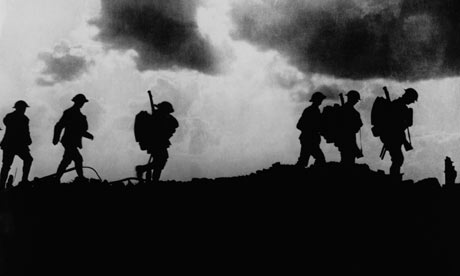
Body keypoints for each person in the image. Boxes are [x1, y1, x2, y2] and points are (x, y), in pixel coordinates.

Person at [53, 94, 93, 182]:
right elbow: (59, 125)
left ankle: (57, 178)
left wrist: (88, 135)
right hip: (68, 141)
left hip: (73, 141)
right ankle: (80, 177)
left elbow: (78, 130)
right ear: (77, 102)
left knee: (67, 160)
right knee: (78, 159)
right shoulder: (69, 113)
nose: (82, 104)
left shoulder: (79, 115)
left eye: (83, 102)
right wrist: (56, 138)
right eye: (81, 102)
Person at [136, 101, 178, 183]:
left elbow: (174, 124)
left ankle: (149, 174)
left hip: (158, 143)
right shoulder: (158, 117)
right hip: (157, 143)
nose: (168, 114)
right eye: (167, 112)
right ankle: (143, 170)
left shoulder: (160, 116)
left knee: (159, 161)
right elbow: (158, 130)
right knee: (161, 160)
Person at [380, 88, 418, 179]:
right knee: (398, 159)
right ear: (408, 97)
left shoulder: (398, 105)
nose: (412, 102)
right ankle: (394, 179)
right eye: (412, 100)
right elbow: (397, 125)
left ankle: (394, 177)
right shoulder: (398, 105)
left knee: (397, 159)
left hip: (396, 137)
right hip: (393, 137)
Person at [0, 100, 33, 189]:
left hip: (14, 144)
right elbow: (24, 131)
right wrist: (27, 139)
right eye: (23, 108)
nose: (24, 110)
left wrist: (28, 139)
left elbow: (26, 131)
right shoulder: (14, 117)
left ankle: (23, 180)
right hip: (13, 144)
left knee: (27, 160)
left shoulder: (13, 117)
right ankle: (3, 184)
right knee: (7, 165)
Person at [296, 91, 326, 168]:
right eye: (320, 99)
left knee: (304, 160)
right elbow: (299, 125)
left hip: (311, 139)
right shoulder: (310, 110)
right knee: (319, 159)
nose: (321, 101)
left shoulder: (316, 111)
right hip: (309, 140)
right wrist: (311, 130)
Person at [336, 90, 363, 165]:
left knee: (347, 159)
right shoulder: (351, 111)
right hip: (347, 138)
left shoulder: (343, 109)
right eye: (356, 100)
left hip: (345, 139)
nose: (357, 101)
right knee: (348, 160)